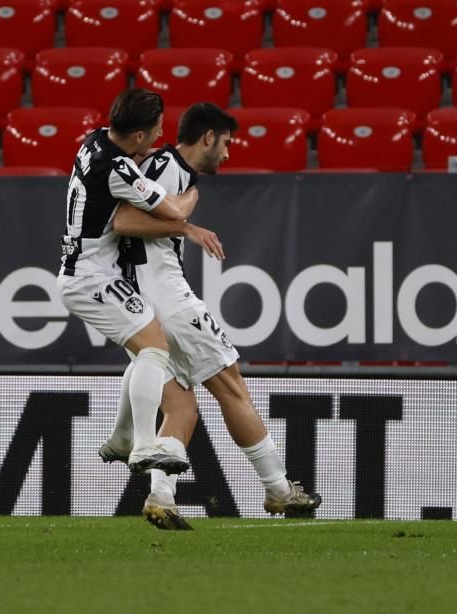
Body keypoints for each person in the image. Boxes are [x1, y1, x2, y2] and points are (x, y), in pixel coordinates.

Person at [102, 102, 323, 530]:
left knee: (182, 408)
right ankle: (279, 489)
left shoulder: (163, 168)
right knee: (232, 388)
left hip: (141, 308)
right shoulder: (167, 167)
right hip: (169, 301)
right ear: (207, 138)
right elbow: (124, 221)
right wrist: (186, 225)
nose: (227, 154)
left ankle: (160, 497)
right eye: (225, 143)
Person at [58, 88, 200, 475]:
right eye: (156, 130)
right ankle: (141, 447)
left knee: (146, 348)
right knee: (155, 348)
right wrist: (190, 193)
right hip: (92, 278)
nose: (160, 135)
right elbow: (170, 210)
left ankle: (122, 439)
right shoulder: (117, 171)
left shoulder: (95, 140)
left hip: (85, 271)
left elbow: (128, 162)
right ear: (138, 135)